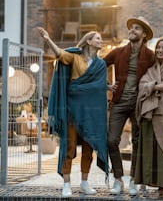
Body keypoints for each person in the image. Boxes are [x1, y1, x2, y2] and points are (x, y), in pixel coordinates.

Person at [37, 27, 110, 197]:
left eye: (101, 38)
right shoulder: (75, 56)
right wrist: (48, 39)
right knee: (68, 146)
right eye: (97, 38)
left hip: (91, 111)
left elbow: (97, 86)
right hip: (72, 108)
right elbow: (59, 54)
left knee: (89, 146)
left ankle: (84, 182)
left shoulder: (101, 64)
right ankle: (67, 184)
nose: (101, 40)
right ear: (88, 41)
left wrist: (105, 86)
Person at [103, 16, 155, 196]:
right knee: (111, 140)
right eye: (131, 28)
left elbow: (157, 75)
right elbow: (99, 65)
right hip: (119, 102)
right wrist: (107, 85)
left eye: (137, 29)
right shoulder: (118, 52)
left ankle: (134, 179)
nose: (132, 30)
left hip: (139, 105)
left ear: (144, 35)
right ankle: (118, 179)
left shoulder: (150, 55)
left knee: (137, 142)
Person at [134, 37, 163, 198]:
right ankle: (160, 188)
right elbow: (142, 86)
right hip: (149, 114)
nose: (160, 50)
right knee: (152, 151)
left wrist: (151, 86)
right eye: (158, 48)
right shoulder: (151, 69)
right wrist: (156, 86)